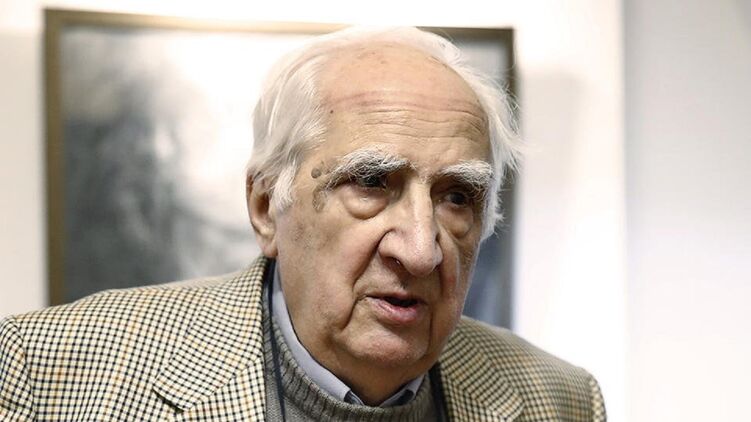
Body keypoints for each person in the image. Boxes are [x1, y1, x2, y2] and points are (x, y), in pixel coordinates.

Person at [0, 27, 605, 421]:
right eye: (372, 182)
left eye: (456, 196)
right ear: (267, 207)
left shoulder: (561, 401)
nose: (421, 250)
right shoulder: (48, 373)